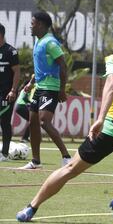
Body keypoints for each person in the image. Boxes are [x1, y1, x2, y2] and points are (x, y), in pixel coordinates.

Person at [16, 23, 113, 223]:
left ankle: (30, 209)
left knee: (69, 170)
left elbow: (112, 85)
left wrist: (100, 119)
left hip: (108, 129)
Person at [19, 11, 71, 169]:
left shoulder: (50, 43)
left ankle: (67, 157)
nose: (30, 26)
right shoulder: (38, 41)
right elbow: (41, 68)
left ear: (40, 25)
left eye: (33, 23)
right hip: (39, 88)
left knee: (43, 122)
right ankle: (36, 161)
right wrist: (31, 82)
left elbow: (63, 65)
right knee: (33, 122)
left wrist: (62, 89)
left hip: (51, 88)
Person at [0, 22, 20, 162]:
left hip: (6, 93)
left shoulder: (10, 52)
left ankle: (4, 154)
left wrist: (13, 90)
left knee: (4, 122)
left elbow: (17, 72)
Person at [14, 78, 35, 143]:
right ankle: (24, 138)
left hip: (19, 106)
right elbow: (24, 98)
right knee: (33, 121)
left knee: (32, 121)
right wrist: (32, 102)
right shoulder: (27, 88)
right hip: (21, 106)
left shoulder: (24, 89)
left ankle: (25, 137)